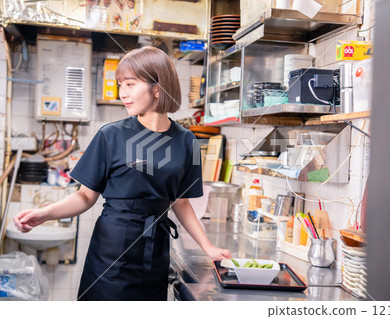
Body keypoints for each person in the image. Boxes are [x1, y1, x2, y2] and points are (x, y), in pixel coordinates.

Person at [14, 46, 231, 301]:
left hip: (155, 253)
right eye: (120, 85)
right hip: (110, 252)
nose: (122, 93)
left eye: (130, 84)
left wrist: (209, 248)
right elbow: (85, 197)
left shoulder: (187, 141)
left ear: (158, 87)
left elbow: (181, 202)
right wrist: (44, 214)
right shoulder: (110, 135)